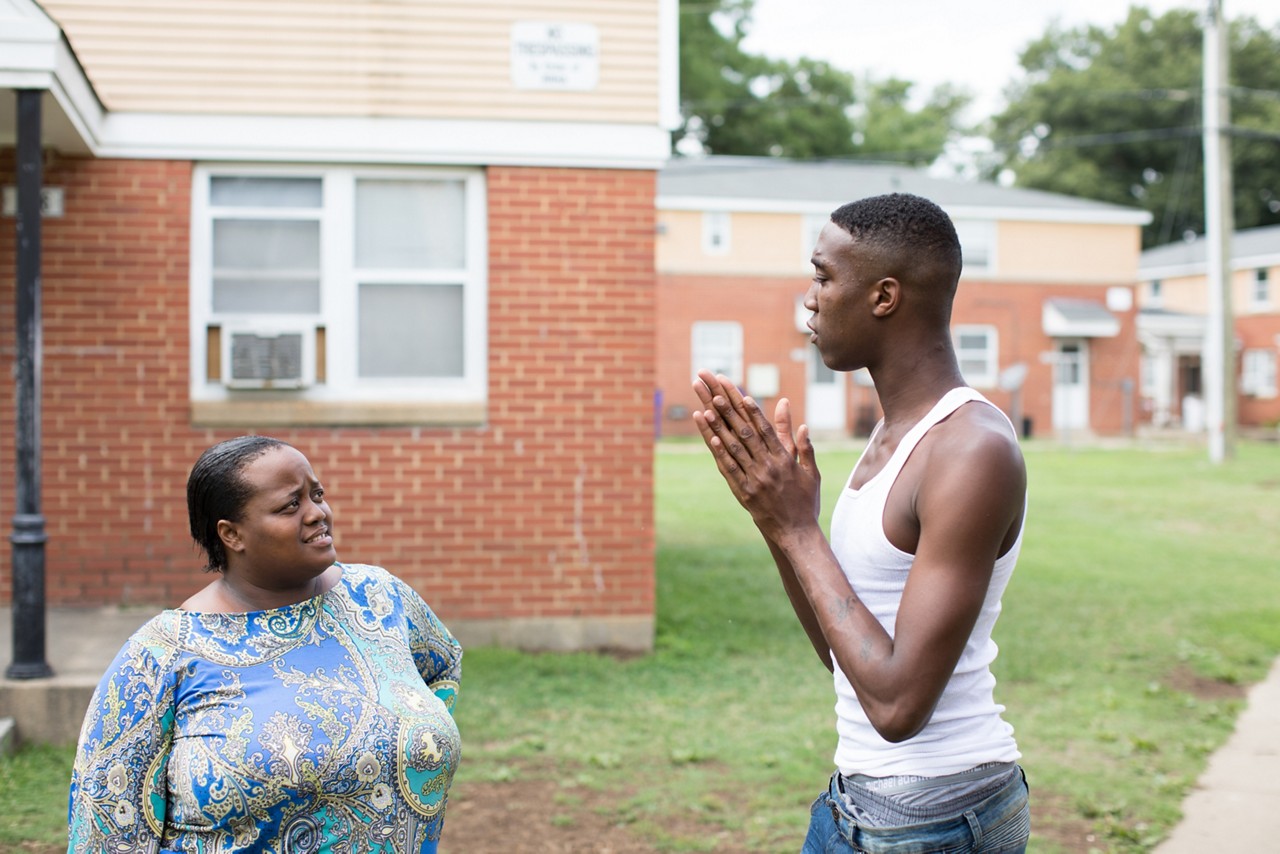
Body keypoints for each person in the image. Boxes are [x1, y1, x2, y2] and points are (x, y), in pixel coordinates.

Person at [693, 193, 1030, 853]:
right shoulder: (892, 436)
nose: (809, 301)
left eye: (822, 276)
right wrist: (777, 522)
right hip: (864, 807)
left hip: (932, 820)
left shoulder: (971, 449)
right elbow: (847, 661)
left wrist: (798, 531)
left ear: (883, 296)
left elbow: (898, 707)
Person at [67, 435, 462, 853]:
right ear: (232, 534)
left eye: (317, 495)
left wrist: (415, 743)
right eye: (290, 505)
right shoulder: (161, 657)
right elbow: (107, 827)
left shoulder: (379, 596)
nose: (318, 514)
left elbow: (442, 665)